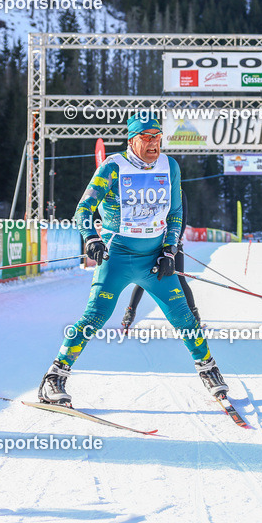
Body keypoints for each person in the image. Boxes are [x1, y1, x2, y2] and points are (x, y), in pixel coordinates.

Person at [38, 114, 227, 406]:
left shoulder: (170, 166)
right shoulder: (113, 167)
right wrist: (91, 237)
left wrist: (169, 250)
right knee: (94, 317)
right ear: (132, 140)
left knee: (184, 317)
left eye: (158, 137)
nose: (154, 143)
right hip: (118, 257)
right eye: (147, 138)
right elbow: (84, 208)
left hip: (153, 259)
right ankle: (54, 377)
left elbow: (175, 213)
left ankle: (209, 369)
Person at [121, 192, 201, 333]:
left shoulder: (179, 192)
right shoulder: (153, 189)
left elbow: (182, 218)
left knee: (180, 279)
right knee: (143, 279)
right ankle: (130, 313)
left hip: (171, 244)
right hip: (152, 243)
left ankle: (194, 317)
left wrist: (174, 242)